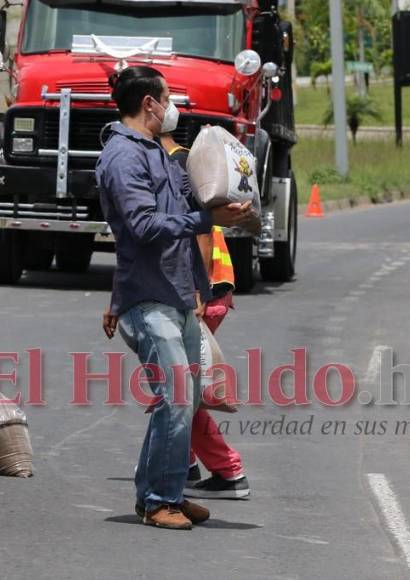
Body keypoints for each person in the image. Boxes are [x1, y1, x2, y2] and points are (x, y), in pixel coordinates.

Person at [96, 65, 255, 530]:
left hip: (178, 295)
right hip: (149, 299)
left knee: (181, 401)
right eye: (167, 99)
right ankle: (160, 500)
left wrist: (226, 201)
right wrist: (207, 220)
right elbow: (143, 227)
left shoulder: (158, 152)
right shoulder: (123, 158)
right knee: (178, 397)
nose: (172, 108)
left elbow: (191, 204)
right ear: (149, 103)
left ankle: (162, 494)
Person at [159, 132, 251, 499]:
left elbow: (202, 232)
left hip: (202, 293)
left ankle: (228, 471)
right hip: (210, 289)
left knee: (183, 394)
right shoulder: (180, 160)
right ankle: (185, 463)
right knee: (181, 388)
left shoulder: (178, 164)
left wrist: (196, 290)